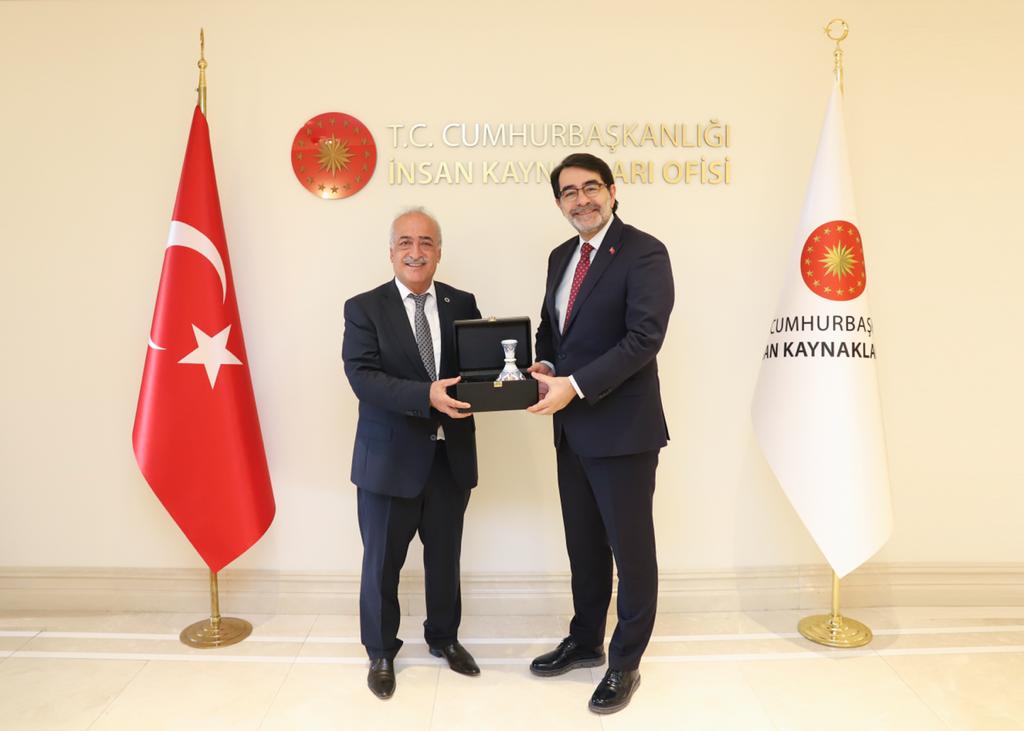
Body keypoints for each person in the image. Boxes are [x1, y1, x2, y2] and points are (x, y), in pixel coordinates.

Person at [527, 153, 674, 714]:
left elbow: (644, 339)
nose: (581, 199)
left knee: (631, 552)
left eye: (591, 187)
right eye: (569, 192)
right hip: (571, 430)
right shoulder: (560, 256)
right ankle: (586, 639)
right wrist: (544, 366)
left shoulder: (644, 252)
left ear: (612, 191)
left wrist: (574, 385)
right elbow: (552, 329)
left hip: (623, 430)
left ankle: (624, 662)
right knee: (584, 546)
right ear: (558, 202)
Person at [342, 207, 482, 699]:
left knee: (445, 559)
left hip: (449, 459)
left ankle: (444, 638)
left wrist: (509, 382)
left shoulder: (462, 302)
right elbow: (363, 377)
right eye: (405, 242)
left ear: (439, 252)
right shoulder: (364, 308)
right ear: (391, 252)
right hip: (388, 463)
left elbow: (480, 370)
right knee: (382, 564)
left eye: (426, 242)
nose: (416, 252)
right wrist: (427, 396)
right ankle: (381, 651)